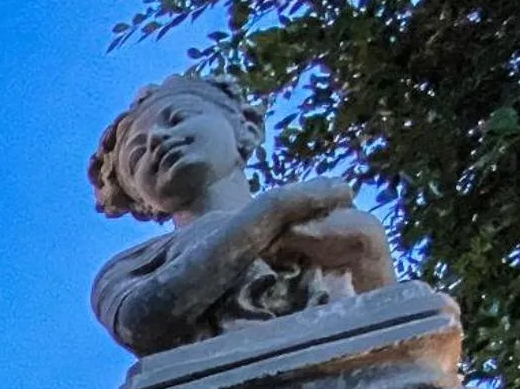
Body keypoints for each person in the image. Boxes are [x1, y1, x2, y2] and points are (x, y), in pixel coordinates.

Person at [89, 73, 395, 356]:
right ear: (144, 202)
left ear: (246, 129)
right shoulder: (132, 267)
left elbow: (389, 338)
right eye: (136, 155)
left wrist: (370, 248)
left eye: (179, 118)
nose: (155, 139)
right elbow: (141, 323)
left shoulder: (331, 225)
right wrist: (271, 213)